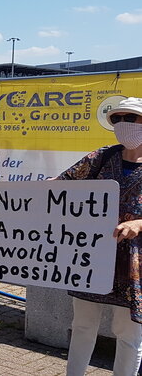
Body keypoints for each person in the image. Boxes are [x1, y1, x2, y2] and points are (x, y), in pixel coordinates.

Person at [60, 97, 142, 376]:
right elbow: (59, 186)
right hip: (91, 255)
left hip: (134, 262)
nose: (122, 125)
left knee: (128, 334)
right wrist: (10, 205)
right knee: (82, 324)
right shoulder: (102, 157)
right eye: (117, 119)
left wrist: (140, 224)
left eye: (129, 119)